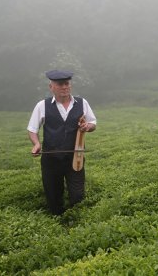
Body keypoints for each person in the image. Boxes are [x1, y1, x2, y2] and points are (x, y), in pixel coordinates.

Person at [28, 70, 97, 215]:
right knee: (53, 198)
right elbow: (32, 129)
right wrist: (36, 144)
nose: (64, 87)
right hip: (51, 160)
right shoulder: (42, 106)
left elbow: (93, 123)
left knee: (78, 195)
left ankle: (76, 222)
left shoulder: (82, 103)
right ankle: (58, 222)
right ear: (51, 86)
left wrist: (87, 127)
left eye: (67, 83)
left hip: (75, 158)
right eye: (60, 84)